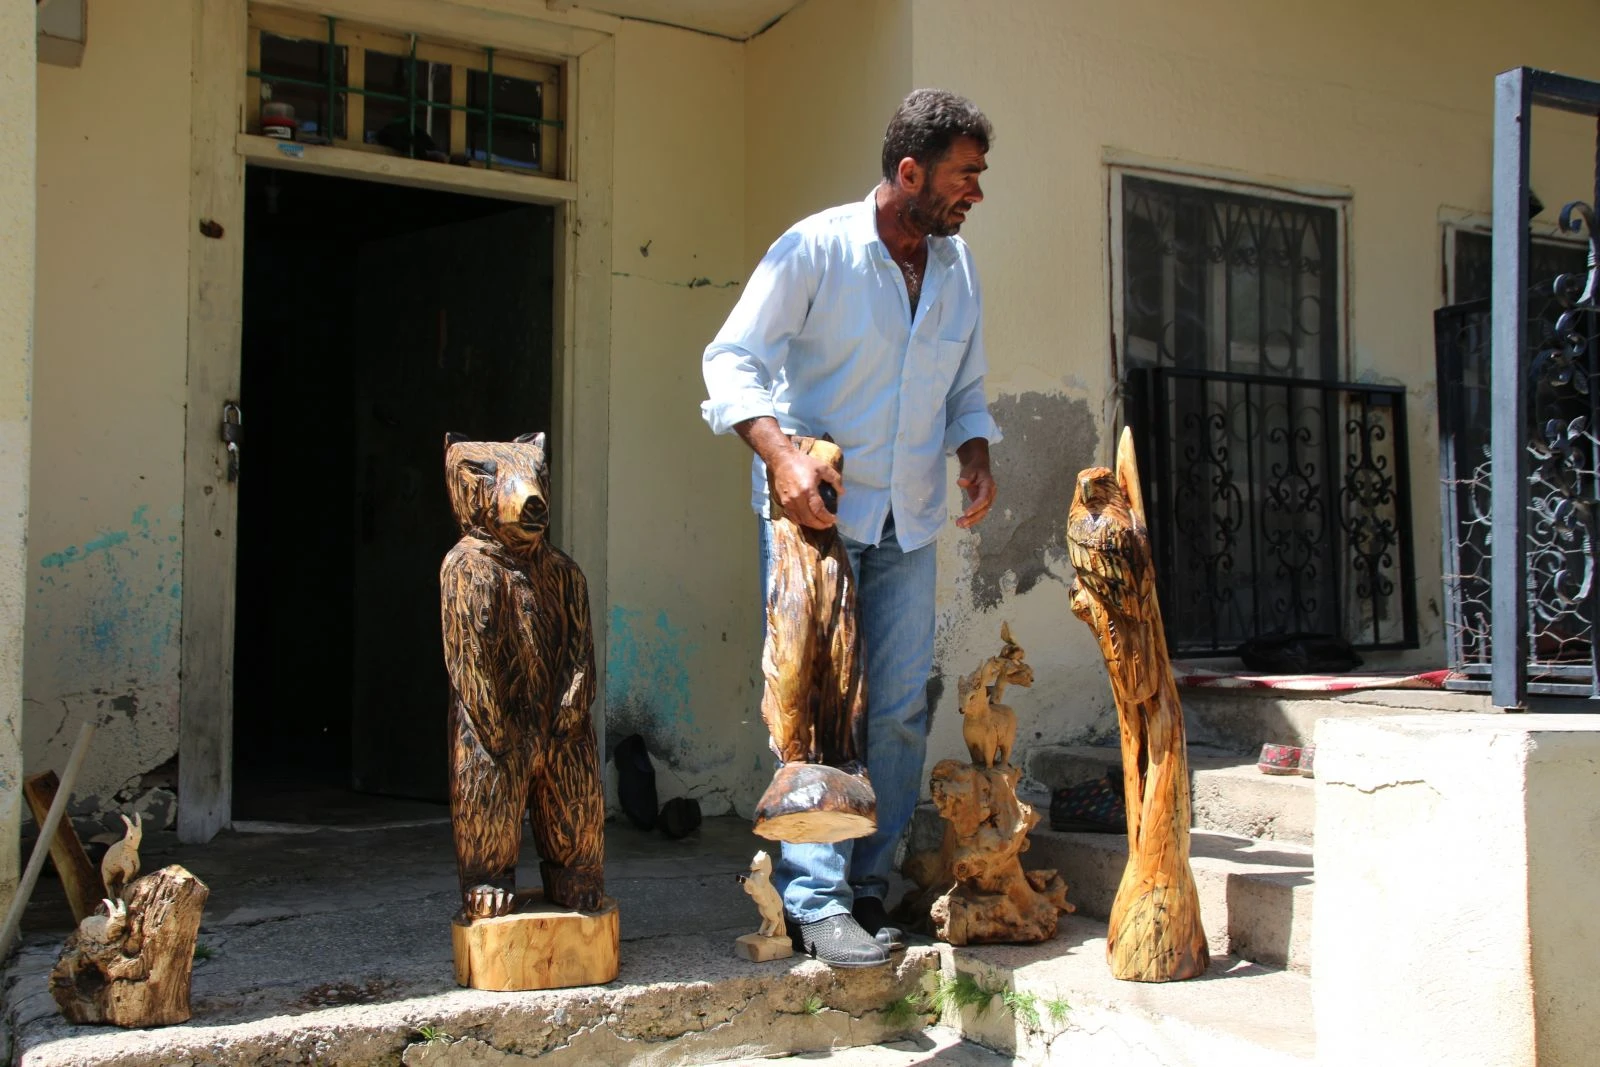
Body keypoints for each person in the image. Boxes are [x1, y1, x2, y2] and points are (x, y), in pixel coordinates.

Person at [700, 89, 1001, 968]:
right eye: (964, 175)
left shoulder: (957, 269)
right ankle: (816, 902)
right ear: (909, 172)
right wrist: (780, 458)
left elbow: (965, 389)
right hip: (818, 517)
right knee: (821, 712)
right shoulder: (816, 249)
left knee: (900, 710)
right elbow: (730, 360)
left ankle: (869, 883)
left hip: (911, 517)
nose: (976, 192)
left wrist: (975, 451)